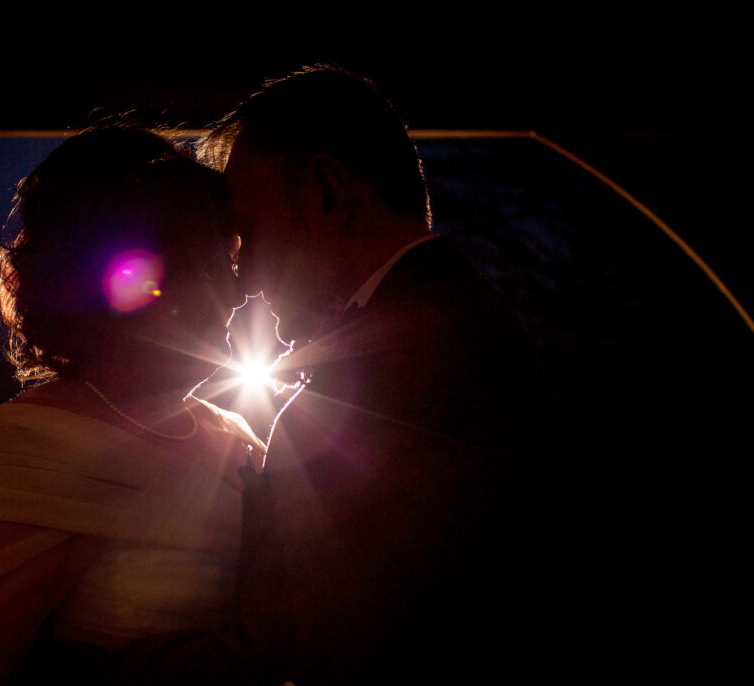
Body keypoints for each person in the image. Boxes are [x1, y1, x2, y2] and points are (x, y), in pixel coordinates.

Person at [199, 65, 582, 682]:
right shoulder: (462, 319)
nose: (243, 278)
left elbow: (290, 648)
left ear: (327, 192)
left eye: (249, 233)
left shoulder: (375, 388)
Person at [0, 126, 266, 685]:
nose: (235, 293)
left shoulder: (237, 436)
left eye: (230, 263)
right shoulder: (19, 450)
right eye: (206, 266)